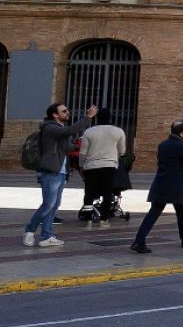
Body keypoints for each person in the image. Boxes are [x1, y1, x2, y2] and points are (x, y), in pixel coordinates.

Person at [23, 102, 97, 247]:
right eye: (64, 111)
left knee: (54, 205)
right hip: (51, 172)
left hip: (61, 172)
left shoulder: (61, 130)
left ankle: (46, 236)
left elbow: (68, 147)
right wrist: (87, 117)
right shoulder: (50, 128)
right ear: (55, 115)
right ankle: (29, 230)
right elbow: (69, 131)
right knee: (48, 204)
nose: (67, 112)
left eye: (67, 110)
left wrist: (77, 144)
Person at [130, 121, 183, 253]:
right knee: (182, 212)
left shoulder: (162, 145)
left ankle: (139, 241)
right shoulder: (182, 146)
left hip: (161, 182)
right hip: (177, 184)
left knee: (154, 212)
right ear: (182, 132)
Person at [79, 106, 127, 222]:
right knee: (107, 191)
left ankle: (87, 215)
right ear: (110, 118)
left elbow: (83, 152)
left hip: (91, 166)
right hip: (109, 165)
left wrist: (81, 165)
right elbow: (122, 151)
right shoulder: (118, 131)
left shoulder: (89, 132)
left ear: (97, 119)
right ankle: (105, 216)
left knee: (89, 192)